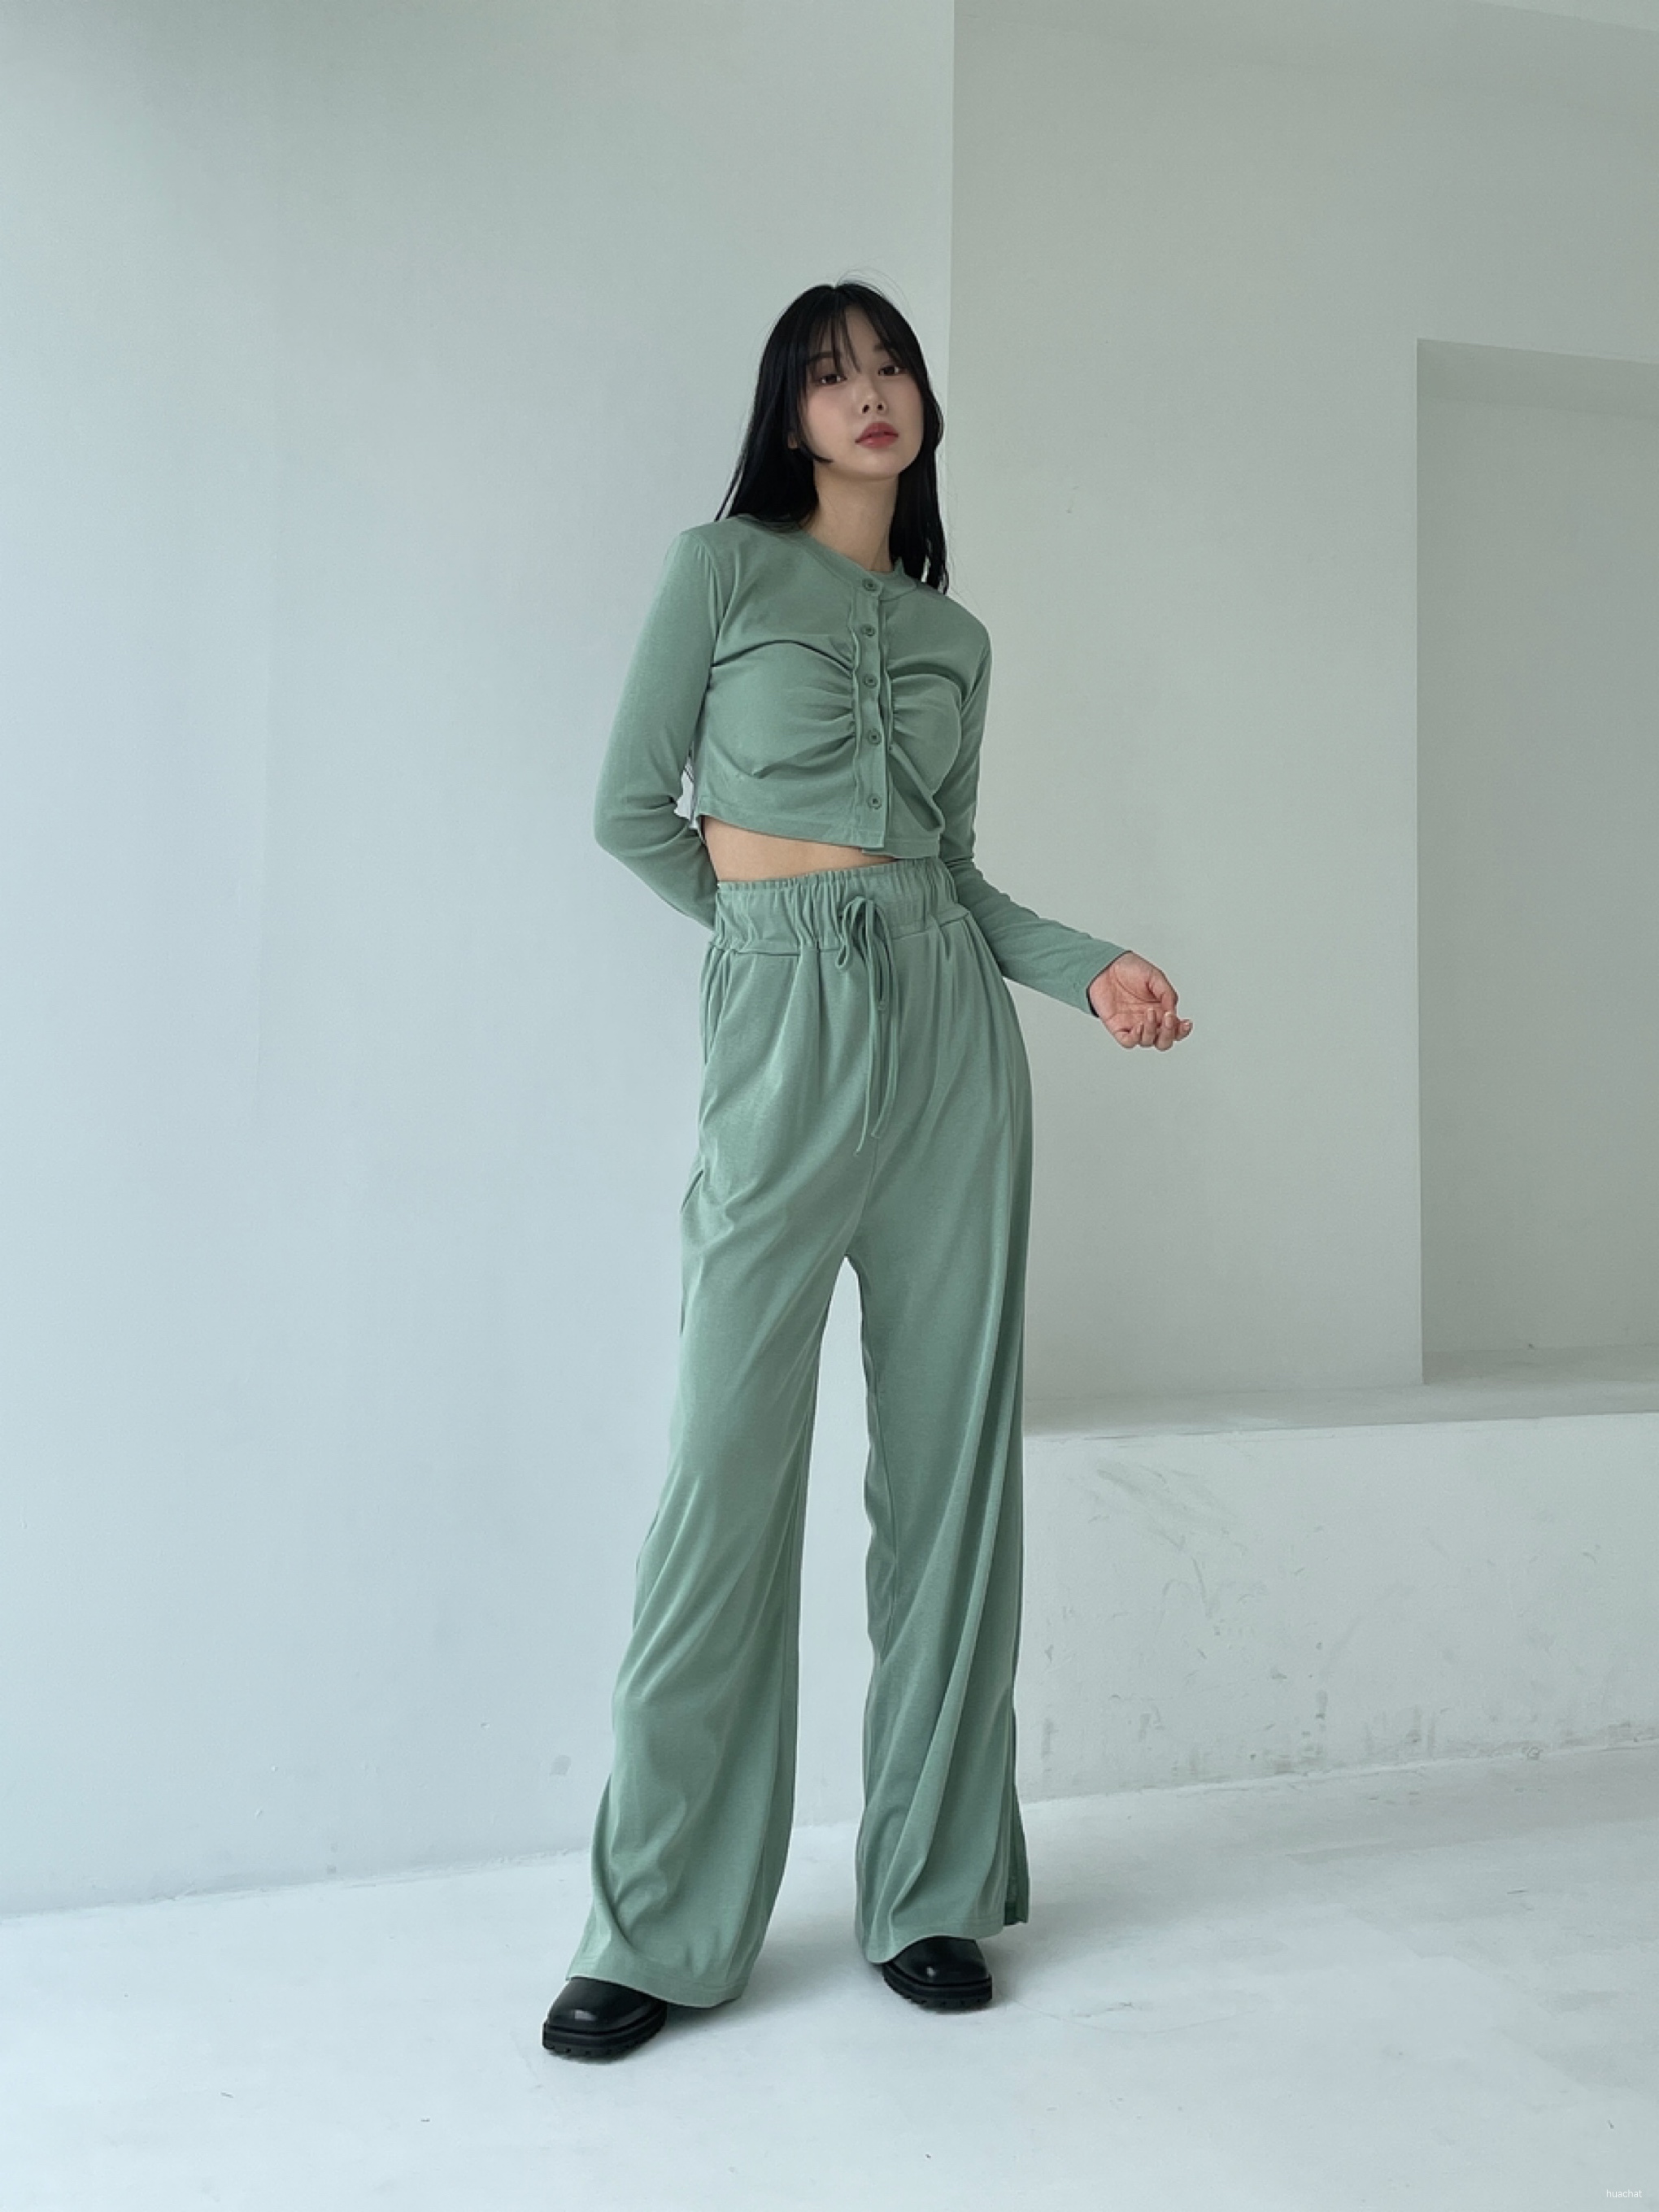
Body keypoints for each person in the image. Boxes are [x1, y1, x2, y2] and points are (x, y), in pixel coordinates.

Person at [543, 281, 1192, 2063]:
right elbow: (629, 810)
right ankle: (659, 1925)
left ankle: (929, 1890)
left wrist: (1093, 969)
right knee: (720, 1482)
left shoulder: (956, 636)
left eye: (890, 365)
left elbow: (957, 876)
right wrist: (776, 941)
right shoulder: (718, 572)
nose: (870, 394)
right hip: (785, 1039)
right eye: (832, 376)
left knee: (950, 1481)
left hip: (953, 1050)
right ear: (790, 413)